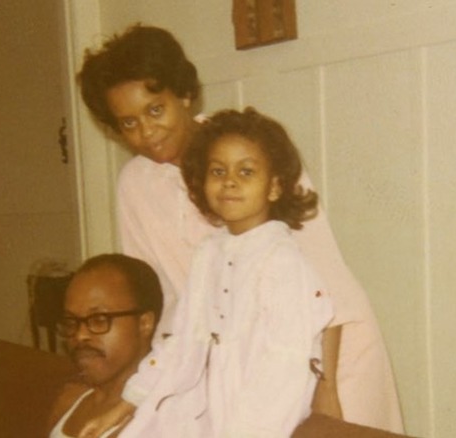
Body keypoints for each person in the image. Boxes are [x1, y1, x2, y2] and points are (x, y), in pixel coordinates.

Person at [78, 23, 404, 433]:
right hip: (233, 366)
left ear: (183, 94)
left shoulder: (253, 154)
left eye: (155, 110)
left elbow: (325, 277)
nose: (146, 132)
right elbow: (159, 302)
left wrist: (327, 385)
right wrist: (137, 394)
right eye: (127, 123)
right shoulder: (135, 186)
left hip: (327, 351)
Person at [47, 254, 164, 438]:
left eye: (99, 320)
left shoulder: (160, 417)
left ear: (145, 323)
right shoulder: (69, 401)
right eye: (71, 321)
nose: (80, 335)